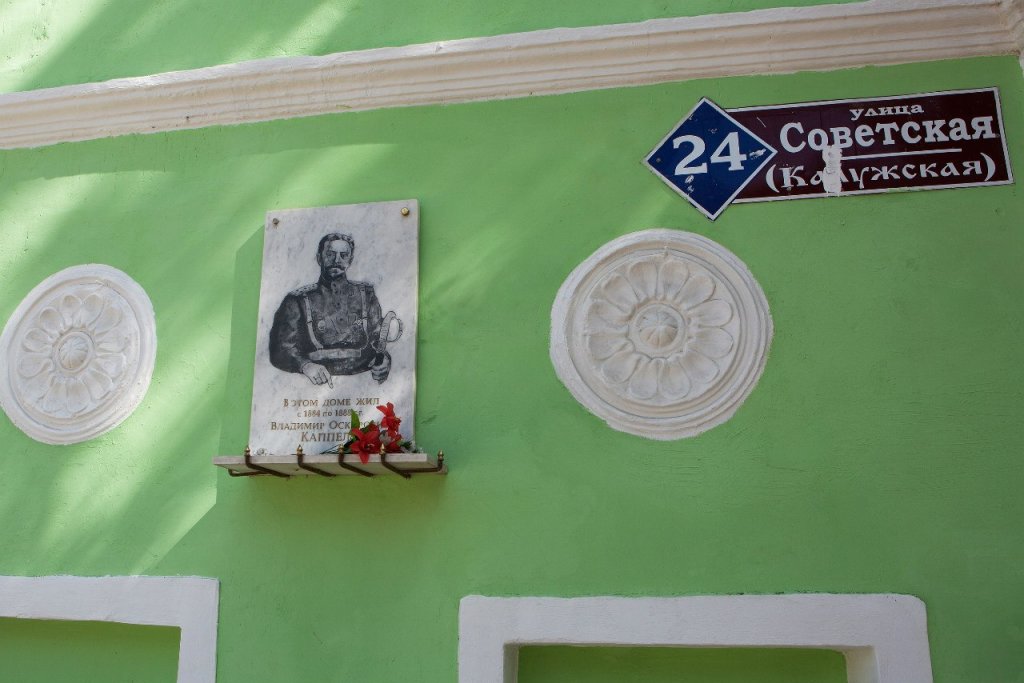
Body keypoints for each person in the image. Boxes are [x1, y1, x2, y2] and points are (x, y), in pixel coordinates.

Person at [269, 232, 394, 385]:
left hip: (363, 380)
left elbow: (378, 340)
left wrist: (384, 360)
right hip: (313, 384)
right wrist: (305, 366)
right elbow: (280, 349)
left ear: (350, 260)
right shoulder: (297, 300)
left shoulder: (366, 295)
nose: (337, 260)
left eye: (344, 255)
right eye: (330, 254)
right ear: (319, 258)